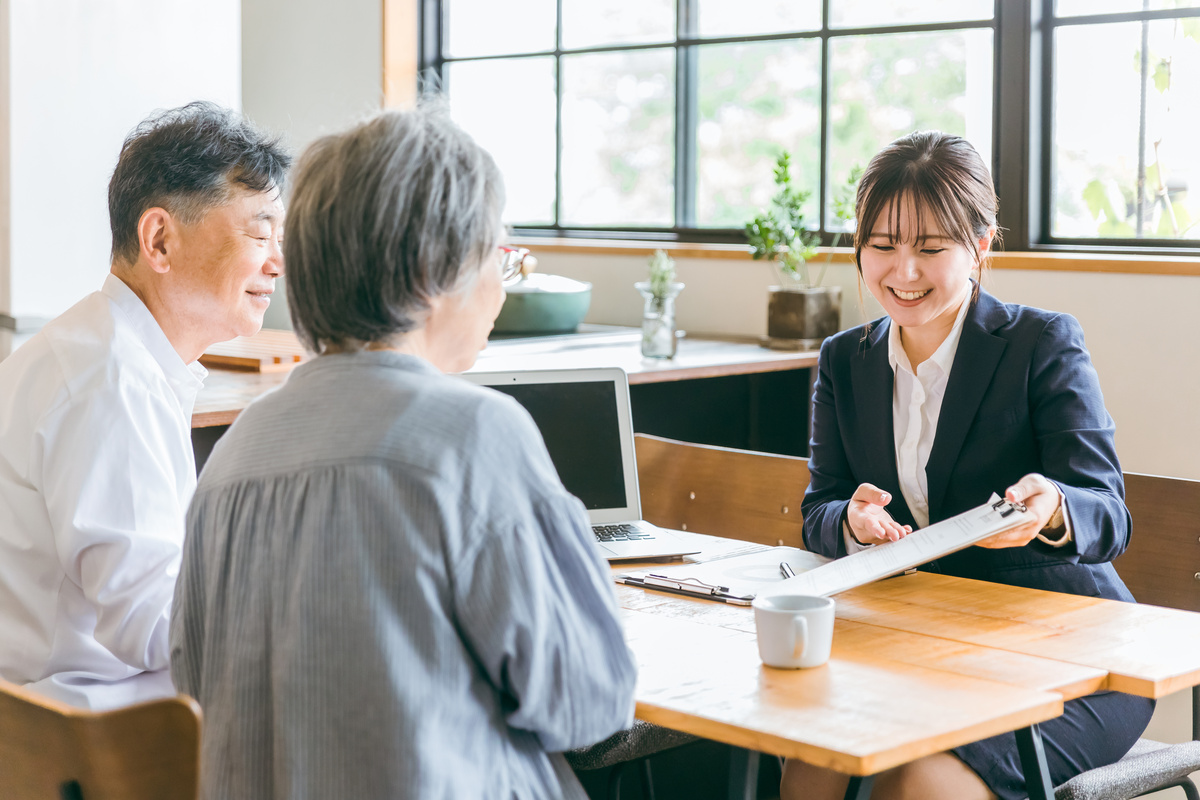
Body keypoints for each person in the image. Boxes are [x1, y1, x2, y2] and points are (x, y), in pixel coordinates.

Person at [169, 106, 638, 799]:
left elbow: (192, 679)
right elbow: (589, 703)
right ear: (433, 272)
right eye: (498, 255)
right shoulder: (475, 434)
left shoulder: (236, 453)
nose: (500, 282)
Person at [782, 131, 1153, 800]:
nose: (904, 272)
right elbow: (820, 508)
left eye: (930, 249)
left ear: (980, 245)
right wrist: (852, 522)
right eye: (882, 245)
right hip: (927, 643)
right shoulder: (844, 359)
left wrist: (1052, 508)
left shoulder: (1041, 342)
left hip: (1072, 653)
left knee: (918, 785)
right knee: (812, 767)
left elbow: (1109, 513)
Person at [0, 102, 289, 710]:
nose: (277, 263)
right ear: (159, 239)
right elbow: (154, 624)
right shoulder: (111, 382)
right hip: (81, 728)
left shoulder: (99, 350)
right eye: (260, 234)